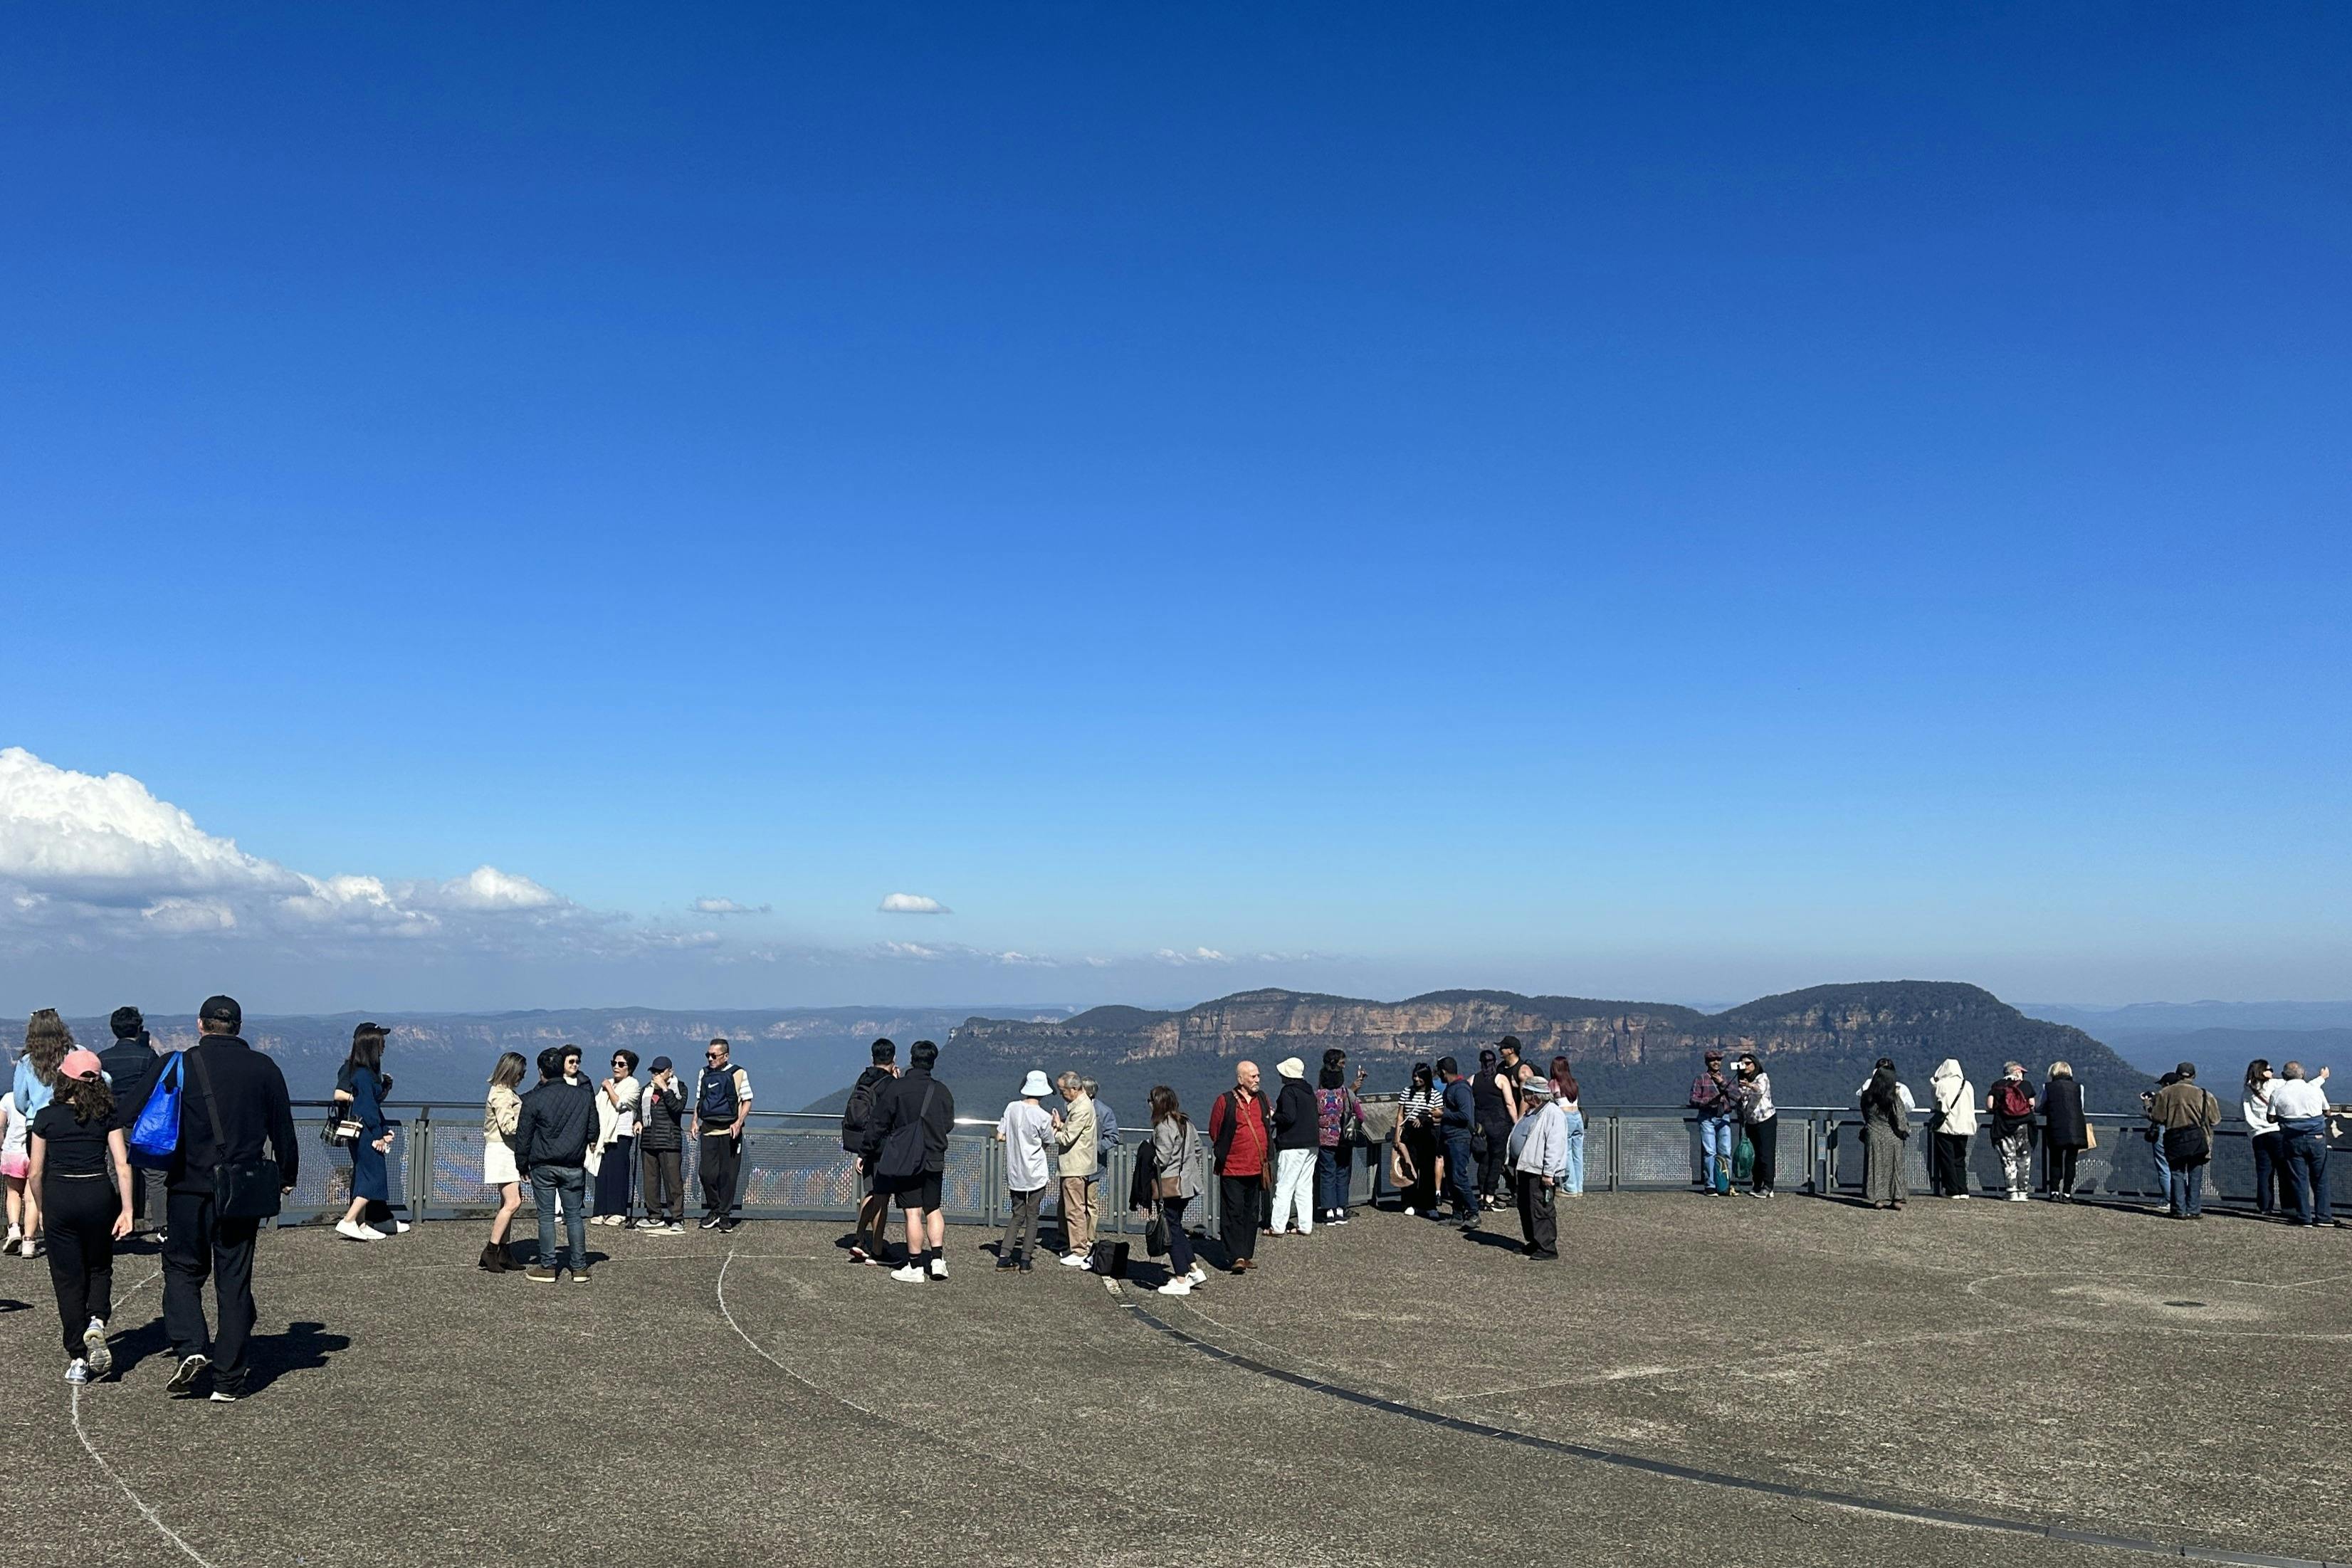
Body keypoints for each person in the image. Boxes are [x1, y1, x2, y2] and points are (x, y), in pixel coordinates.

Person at [162, 995, 298, 1402]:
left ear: (200, 1025)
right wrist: (286, 1176)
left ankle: (190, 1347)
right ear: (238, 1027)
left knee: (183, 1269)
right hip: (241, 1189)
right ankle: (229, 1381)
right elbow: (283, 1130)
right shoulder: (264, 1067)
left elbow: (138, 1113)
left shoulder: (180, 1064)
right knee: (234, 1280)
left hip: (187, 1186)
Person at [30, 1046, 133, 1382]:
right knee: (100, 1264)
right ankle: (97, 1320)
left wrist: (42, 1208)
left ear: (65, 1080)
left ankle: (77, 1356)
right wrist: (128, 1210)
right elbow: (122, 1165)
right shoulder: (107, 1115)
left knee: (67, 1277)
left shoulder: (47, 1117)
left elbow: (34, 1171)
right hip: (97, 1193)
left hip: (60, 1195)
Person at [861, 1038, 955, 1283]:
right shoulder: (941, 1090)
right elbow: (948, 1124)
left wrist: (866, 1151)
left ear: (912, 1059)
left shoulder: (898, 1088)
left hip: (907, 1158)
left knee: (912, 1212)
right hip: (934, 1156)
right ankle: (937, 1260)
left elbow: (878, 1122)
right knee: (933, 1208)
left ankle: (914, 1266)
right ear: (933, 1062)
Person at [513, 1046, 599, 1281]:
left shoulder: (533, 1100)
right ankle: (580, 1267)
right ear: (562, 1068)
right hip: (573, 1164)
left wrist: (522, 1165)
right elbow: (593, 1130)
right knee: (574, 1216)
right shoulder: (583, 1096)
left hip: (543, 1165)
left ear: (541, 1071)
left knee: (546, 1216)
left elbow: (524, 1136)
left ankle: (548, 1266)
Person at [6, 1009, 72, 1258]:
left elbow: (21, 1100)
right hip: (69, 1121)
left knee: (39, 1179)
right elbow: (102, 1078)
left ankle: (35, 1237)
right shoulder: (74, 1054)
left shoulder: (26, 1062)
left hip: (38, 1126)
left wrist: (33, 1111)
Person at [98, 1006, 161, 1236]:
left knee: (117, 1171)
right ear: (139, 1029)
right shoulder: (148, 1057)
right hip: (144, 1122)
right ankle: (160, 1224)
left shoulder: (103, 1058)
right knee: (155, 1173)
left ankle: (118, 1222)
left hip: (114, 1122)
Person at [333, 1024, 399, 1243]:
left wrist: (385, 1087)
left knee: (363, 1176)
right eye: (381, 1042)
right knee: (374, 1177)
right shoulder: (362, 1075)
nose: (384, 1046)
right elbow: (368, 1109)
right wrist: (381, 1134)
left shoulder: (362, 1072)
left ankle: (361, 1224)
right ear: (372, 1044)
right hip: (367, 1133)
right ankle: (349, 1220)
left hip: (362, 1132)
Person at [1143, 1085, 1209, 1295]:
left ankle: (1181, 1279)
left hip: (1170, 1186)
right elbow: (1198, 1148)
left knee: (1169, 1230)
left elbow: (1161, 1158)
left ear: (1158, 1103)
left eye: (1151, 1100)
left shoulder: (1163, 1126)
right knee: (1176, 1226)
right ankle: (1193, 1269)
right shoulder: (1186, 1122)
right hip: (1188, 1185)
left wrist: (1147, 1157)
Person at [1207, 1061, 1272, 1274]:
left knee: (1251, 1212)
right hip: (1233, 1168)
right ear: (1240, 1079)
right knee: (1233, 1212)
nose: (1257, 1080)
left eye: (1258, 1076)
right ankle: (1235, 1256)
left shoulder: (1261, 1099)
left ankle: (1246, 1254)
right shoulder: (1225, 1101)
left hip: (1256, 1167)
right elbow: (1215, 1130)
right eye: (1252, 1076)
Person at [842, 1038, 898, 1263]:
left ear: (872, 1058)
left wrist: (862, 1152)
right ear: (893, 1059)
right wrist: (897, 1082)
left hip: (864, 1144)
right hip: (883, 1146)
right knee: (882, 1198)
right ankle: (877, 1248)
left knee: (872, 1193)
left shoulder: (863, 1078)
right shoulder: (890, 1084)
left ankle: (859, 1238)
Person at [689, 1038, 753, 1232]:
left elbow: (747, 1100)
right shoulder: (704, 1073)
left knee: (728, 1175)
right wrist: (694, 1121)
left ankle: (724, 1215)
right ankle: (715, 1209)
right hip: (708, 1130)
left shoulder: (739, 1073)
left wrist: (739, 1121)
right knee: (706, 1173)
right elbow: (700, 1099)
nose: (710, 1058)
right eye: (708, 1055)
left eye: (714, 1055)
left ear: (726, 1056)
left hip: (730, 1132)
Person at [996, 1070, 1055, 1272]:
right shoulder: (1044, 1116)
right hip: (1036, 1173)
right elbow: (1048, 1140)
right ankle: (1025, 1260)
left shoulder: (1011, 1107)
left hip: (1015, 1172)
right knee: (1033, 1216)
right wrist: (1055, 1126)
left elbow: (1000, 1135)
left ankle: (1004, 1256)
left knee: (1017, 1215)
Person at [2148, 1062, 2222, 1221]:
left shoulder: (2166, 1093)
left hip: (2174, 1138)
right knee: (2195, 1174)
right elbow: (2215, 1120)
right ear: (2194, 1076)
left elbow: (2158, 1117)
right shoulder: (2204, 1094)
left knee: (2176, 1173)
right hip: (2198, 1138)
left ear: (2177, 1074)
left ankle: (2178, 1209)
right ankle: (2194, 1209)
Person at [2269, 1061, 2335, 1227]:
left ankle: (2304, 1216)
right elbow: (2327, 1111)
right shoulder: (2314, 1090)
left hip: (2292, 1140)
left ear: (2283, 1076)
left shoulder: (2277, 1093)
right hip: (2317, 1138)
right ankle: (2324, 1217)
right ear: (2303, 1074)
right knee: (2320, 1179)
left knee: (2298, 1178)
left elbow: (2270, 1117)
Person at [1505, 1077, 1565, 1261]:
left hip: (1539, 1171)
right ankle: (1533, 1241)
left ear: (1536, 1095)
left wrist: (1549, 1172)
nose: (1523, 1096)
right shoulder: (1532, 1111)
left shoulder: (1552, 1113)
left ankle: (1546, 1247)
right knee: (1526, 1206)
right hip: (1525, 1168)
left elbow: (1554, 1145)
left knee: (1540, 1208)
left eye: (1526, 1093)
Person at [481, 1051, 526, 1271]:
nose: (523, 1077)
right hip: (502, 1150)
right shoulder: (501, 1095)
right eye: (521, 1072)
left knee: (509, 1202)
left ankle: (504, 1251)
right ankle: (492, 1250)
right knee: (513, 1202)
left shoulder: (506, 1092)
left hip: (506, 1150)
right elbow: (509, 1127)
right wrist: (528, 1119)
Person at [1052, 1071, 1099, 1266]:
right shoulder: (1080, 1105)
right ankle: (1075, 1246)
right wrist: (1061, 1124)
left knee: (1074, 1210)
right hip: (1076, 1166)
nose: (1061, 1094)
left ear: (1074, 1088)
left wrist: (1053, 1131)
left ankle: (1079, 1250)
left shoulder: (1081, 1109)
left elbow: (1067, 1138)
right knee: (1070, 1208)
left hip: (1075, 1167)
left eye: (1063, 1090)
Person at [1268, 1056, 1318, 1237]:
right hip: (1312, 1144)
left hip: (1292, 1145)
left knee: (1284, 1186)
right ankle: (1305, 1225)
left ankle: (1278, 1226)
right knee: (1304, 1186)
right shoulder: (1308, 1091)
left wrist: (1273, 1115)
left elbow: (1288, 1117)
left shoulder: (1288, 1092)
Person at [590, 1049, 641, 1226]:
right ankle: (600, 1210)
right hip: (604, 1134)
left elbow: (620, 1103)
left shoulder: (633, 1085)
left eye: (621, 1064)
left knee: (618, 1173)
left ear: (630, 1067)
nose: (616, 1067)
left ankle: (618, 1210)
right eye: (614, 1063)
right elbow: (596, 1106)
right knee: (602, 1173)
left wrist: (609, 1088)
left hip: (621, 1133)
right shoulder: (608, 1083)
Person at [636, 1057, 686, 1235]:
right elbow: (639, 1111)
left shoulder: (679, 1088)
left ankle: (677, 1217)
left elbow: (677, 1108)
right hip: (649, 1141)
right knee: (650, 1181)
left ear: (669, 1072)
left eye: (659, 1072)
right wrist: (638, 1121)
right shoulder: (646, 1090)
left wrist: (665, 1089)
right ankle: (654, 1215)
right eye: (653, 1072)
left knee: (673, 1181)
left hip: (669, 1141)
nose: (655, 1075)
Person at [1315, 1056, 1366, 1225]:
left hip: (1324, 1140)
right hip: (1344, 1140)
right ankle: (1341, 1209)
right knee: (1342, 1173)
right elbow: (1360, 1116)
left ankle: (1328, 1211)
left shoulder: (1318, 1096)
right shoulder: (1346, 1093)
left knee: (1327, 1173)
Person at [1859, 1058, 1911, 1210]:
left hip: (1873, 1135)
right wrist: (1906, 1131)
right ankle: (1897, 1199)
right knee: (1895, 1168)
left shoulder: (1866, 1097)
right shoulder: (1893, 1098)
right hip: (1892, 1136)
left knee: (1875, 1167)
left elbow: (1866, 1116)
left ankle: (1878, 1199)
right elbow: (1900, 1121)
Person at [1471, 1047, 1519, 1211]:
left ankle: (1482, 1196)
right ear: (1495, 1062)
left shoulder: (1472, 1080)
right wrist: (1517, 1122)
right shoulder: (1501, 1079)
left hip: (1480, 1127)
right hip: (1499, 1126)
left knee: (1483, 1162)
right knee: (1496, 1161)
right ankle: (1490, 1197)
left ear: (1480, 1062)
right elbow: (1510, 1103)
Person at [1437, 1056, 1480, 1228]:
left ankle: (1473, 1211)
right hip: (1449, 1139)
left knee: (1458, 1176)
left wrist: (1443, 1115)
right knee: (1452, 1178)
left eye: (1439, 1071)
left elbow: (1465, 1116)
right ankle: (1457, 1214)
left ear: (1444, 1072)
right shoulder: (1450, 1089)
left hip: (1460, 1139)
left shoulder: (1461, 1089)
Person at [1688, 1050, 1738, 1196]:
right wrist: (1708, 1102)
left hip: (1724, 1117)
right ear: (1707, 1063)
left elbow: (1737, 1096)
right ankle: (1710, 1185)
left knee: (1726, 1152)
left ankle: (1725, 1184)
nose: (1716, 1062)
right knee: (1710, 1152)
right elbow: (1693, 1099)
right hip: (1707, 1118)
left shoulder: (1727, 1078)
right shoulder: (1701, 1079)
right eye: (1712, 1060)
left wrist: (1722, 1084)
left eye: (1718, 1060)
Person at [1985, 1062, 2037, 1202]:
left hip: (2003, 1127)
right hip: (2024, 1125)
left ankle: (2012, 1192)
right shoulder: (2026, 1085)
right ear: (2016, 1071)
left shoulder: (1997, 1085)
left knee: (2009, 1160)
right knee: (2024, 1160)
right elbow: (2032, 1104)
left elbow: (1990, 1105)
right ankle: (2023, 1192)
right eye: (2022, 1072)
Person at [1395, 1063, 1441, 1216]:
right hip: (1410, 1135)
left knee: (1427, 1171)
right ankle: (1409, 1202)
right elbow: (1401, 1114)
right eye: (1415, 1076)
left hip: (1427, 1135)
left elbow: (1439, 1115)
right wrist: (1397, 1134)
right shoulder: (1407, 1092)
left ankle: (1429, 1205)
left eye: (1420, 1076)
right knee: (1409, 1167)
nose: (1416, 1079)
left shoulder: (1435, 1095)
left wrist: (1424, 1118)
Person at [1926, 1058, 1977, 1200]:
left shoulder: (1941, 1085)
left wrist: (1934, 1083)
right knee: (1960, 1158)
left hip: (1946, 1126)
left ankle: (1952, 1189)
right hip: (1964, 1126)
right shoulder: (1967, 1085)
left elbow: (1937, 1103)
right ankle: (1963, 1189)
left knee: (1947, 1158)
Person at [2039, 1063, 2089, 1201]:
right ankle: (2067, 1193)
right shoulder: (2079, 1087)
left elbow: (2042, 1105)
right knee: (2071, 1161)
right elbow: (2081, 1106)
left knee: (2055, 1159)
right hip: (2076, 1126)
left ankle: (2054, 1191)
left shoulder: (2047, 1087)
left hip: (2056, 1125)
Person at [2243, 1059, 2284, 1217]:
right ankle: (2288, 1205)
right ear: (2263, 1072)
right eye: (2270, 1069)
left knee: (2264, 1172)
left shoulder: (2247, 1090)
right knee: (2283, 1170)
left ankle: (2265, 1206)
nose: (2273, 1072)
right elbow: (2297, 1084)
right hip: (2276, 1132)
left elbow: (2243, 1112)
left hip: (2257, 1135)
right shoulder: (2274, 1085)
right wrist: (2321, 1078)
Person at [1732, 1051, 1775, 1197]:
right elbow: (1740, 1099)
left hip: (1766, 1120)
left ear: (1755, 1064)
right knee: (1753, 1154)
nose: (1745, 1066)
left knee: (1766, 1154)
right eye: (1743, 1064)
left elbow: (1760, 1090)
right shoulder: (1742, 1082)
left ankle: (1768, 1186)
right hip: (1750, 1122)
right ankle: (1757, 1184)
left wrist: (1749, 1085)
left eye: (1748, 1063)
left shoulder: (1762, 1077)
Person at [2141, 1073, 2177, 1210]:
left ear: (2167, 1084)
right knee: (2179, 1168)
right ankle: (2181, 1197)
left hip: (2163, 1131)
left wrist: (2147, 1104)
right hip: (2179, 1132)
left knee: (2164, 1167)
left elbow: (2155, 1116)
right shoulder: (2182, 1095)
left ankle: (2168, 1200)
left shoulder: (2163, 1096)